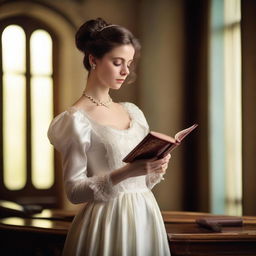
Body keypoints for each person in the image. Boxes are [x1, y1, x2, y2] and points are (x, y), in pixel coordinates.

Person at [48, 17, 171, 256]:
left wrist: (156, 167)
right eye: (117, 62)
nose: (126, 71)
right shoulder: (75, 120)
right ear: (93, 60)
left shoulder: (132, 112)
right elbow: (74, 191)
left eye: (129, 63)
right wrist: (128, 171)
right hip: (107, 221)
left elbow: (142, 181)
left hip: (145, 215)